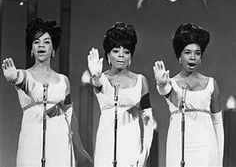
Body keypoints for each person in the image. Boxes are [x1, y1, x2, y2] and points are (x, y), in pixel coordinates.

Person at [2, 17, 91, 167]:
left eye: (46, 42)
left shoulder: (63, 80)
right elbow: (23, 83)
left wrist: (79, 147)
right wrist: (13, 79)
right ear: (31, 49)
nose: (41, 45)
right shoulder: (23, 75)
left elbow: (69, 115)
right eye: (36, 42)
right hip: (31, 145)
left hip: (60, 146)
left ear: (53, 49)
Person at [153, 23, 224, 167]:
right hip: (178, 144)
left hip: (206, 146)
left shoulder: (211, 84)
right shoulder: (170, 82)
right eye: (187, 52)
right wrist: (161, 84)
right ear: (179, 55)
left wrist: (219, 158)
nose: (193, 57)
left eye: (197, 53)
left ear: (201, 57)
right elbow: (167, 93)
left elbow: (217, 122)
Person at [87, 22, 156, 167]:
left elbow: (148, 119)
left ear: (131, 56)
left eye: (126, 52)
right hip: (105, 146)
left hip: (131, 146)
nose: (121, 55)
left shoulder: (140, 81)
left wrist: (145, 152)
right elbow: (98, 85)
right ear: (107, 54)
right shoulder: (101, 79)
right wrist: (95, 76)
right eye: (116, 51)